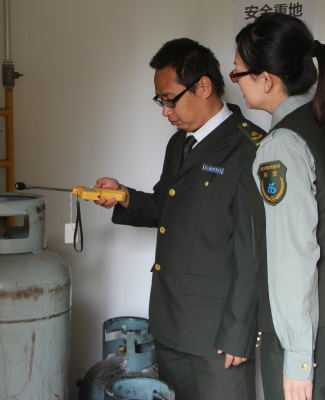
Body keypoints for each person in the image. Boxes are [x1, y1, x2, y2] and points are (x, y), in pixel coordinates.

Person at [94, 38, 267, 400]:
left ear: (203, 86)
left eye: (170, 99)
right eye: (160, 101)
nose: (165, 111)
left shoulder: (250, 149)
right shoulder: (180, 144)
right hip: (171, 322)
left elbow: (254, 251)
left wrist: (239, 333)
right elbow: (167, 205)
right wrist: (125, 196)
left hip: (218, 336)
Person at [232, 13, 325, 400]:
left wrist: (297, 359)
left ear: (266, 79)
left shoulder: (282, 145)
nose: (236, 82)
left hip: (311, 335)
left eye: (237, 73)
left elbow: (294, 255)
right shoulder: (324, 124)